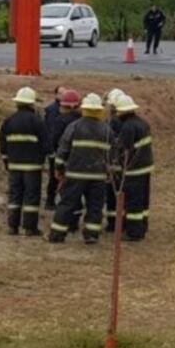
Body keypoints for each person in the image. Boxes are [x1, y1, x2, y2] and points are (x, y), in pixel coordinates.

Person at [48, 93, 113, 245]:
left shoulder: (74, 126)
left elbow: (63, 149)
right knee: (95, 206)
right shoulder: (106, 129)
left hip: (75, 174)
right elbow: (112, 154)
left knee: (67, 203)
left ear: (84, 109)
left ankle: (57, 234)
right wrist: (111, 172)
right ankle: (91, 235)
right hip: (97, 175)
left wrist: (58, 168)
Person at [0, 87, 48, 236]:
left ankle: (12, 226)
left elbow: (3, 144)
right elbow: (45, 144)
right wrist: (43, 159)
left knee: (15, 195)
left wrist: (6, 161)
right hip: (33, 167)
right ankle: (30, 228)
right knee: (31, 197)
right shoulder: (37, 121)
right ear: (32, 103)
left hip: (14, 166)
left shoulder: (9, 121)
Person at [111, 95, 155, 241]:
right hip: (146, 167)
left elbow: (124, 150)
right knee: (143, 200)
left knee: (133, 202)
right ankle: (142, 226)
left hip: (134, 170)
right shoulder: (143, 123)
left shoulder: (128, 127)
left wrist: (118, 168)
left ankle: (133, 232)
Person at [51, 89, 82, 230]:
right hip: (81, 163)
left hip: (66, 163)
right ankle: (75, 221)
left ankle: (67, 224)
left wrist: (58, 165)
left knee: (67, 195)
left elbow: (56, 142)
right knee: (79, 195)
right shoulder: (82, 121)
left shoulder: (60, 121)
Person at [103, 88, 126, 232]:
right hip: (122, 164)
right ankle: (119, 222)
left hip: (114, 164)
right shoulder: (125, 121)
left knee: (112, 194)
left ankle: (113, 223)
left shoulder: (112, 122)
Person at [43, 86, 67, 210]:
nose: (63, 95)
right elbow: (52, 131)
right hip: (55, 149)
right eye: (61, 93)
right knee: (54, 177)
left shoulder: (62, 109)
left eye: (65, 93)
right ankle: (50, 201)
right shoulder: (53, 110)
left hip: (62, 148)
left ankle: (60, 200)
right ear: (56, 95)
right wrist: (52, 150)